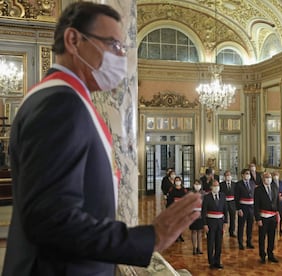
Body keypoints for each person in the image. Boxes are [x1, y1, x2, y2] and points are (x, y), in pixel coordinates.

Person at [2, 2, 201, 275]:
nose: (121, 57)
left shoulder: (65, 99)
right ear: (74, 40)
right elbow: (52, 220)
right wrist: (150, 237)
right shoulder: (60, 104)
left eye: (122, 48)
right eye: (113, 45)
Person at [254, 172, 280, 263]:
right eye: (266, 177)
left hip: (273, 217)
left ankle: (270, 254)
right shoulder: (258, 190)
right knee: (262, 237)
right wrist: (258, 219)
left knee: (272, 236)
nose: (268, 179)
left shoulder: (274, 187)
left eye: (269, 177)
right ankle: (262, 255)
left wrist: (278, 213)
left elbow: (277, 202)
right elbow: (256, 205)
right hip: (263, 217)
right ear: (262, 178)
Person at [202, 180, 228, 269]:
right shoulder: (207, 197)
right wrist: (204, 224)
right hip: (210, 223)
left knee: (219, 243)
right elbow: (203, 212)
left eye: (217, 185)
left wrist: (225, 223)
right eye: (214, 186)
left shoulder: (222, 196)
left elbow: (225, 210)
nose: (216, 187)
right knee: (210, 243)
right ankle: (211, 262)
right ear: (211, 187)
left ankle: (217, 261)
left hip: (220, 223)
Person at [235, 168, 256, 250]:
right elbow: (236, 197)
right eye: (246, 173)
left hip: (251, 207)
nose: (248, 175)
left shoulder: (252, 183)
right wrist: (238, 209)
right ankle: (240, 242)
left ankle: (249, 241)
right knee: (241, 226)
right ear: (242, 175)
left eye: (249, 174)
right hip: (242, 207)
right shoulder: (238, 184)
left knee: (250, 226)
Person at [167, 176, 188, 242]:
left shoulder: (184, 189)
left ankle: (180, 235)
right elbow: (169, 199)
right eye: (176, 180)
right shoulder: (171, 189)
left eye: (179, 180)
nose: (178, 181)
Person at [190, 180, 205, 255]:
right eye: (195, 184)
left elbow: (205, 204)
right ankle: (194, 248)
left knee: (200, 231)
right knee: (194, 231)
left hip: (201, 214)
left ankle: (199, 247)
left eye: (198, 184)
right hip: (192, 214)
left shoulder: (203, 193)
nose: (197, 185)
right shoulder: (190, 193)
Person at [220, 170, 237, 237]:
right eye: (227, 175)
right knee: (223, 218)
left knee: (233, 218)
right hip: (224, 202)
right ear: (224, 176)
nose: (228, 176)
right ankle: (221, 231)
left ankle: (232, 231)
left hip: (232, 202)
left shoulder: (234, 184)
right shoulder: (221, 184)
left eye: (229, 175)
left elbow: (236, 194)